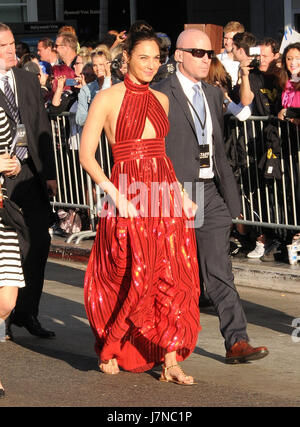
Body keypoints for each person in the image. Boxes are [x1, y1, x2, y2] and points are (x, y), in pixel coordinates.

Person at [79, 21, 200, 384]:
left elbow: (163, 156)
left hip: (164, 194)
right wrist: (116, 196)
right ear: (126, 58)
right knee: (132, 273)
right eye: (143, 57)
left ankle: (171, 359)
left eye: (156, 59)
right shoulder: (106, 98)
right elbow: (87, 156)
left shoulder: (162, 99)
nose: (150, 64)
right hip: (127, 193)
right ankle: (112, 345)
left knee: (175, 275)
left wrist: (182, 195)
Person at [155, 28, 269, 363]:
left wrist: (232, 199)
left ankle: (237, 341)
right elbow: (154, 148)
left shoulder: (212, 92)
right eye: (198, 53)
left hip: (208, 192)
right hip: (173, 191)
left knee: (219, 270)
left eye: (210, 54)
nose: (206, 59)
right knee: (170, 273)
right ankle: (163, 344)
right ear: (179, 55)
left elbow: (219, 149)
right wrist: (171, 188)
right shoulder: (161, 93)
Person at [0, 22, 57, 340]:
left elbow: (41, 128)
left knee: (39, 242)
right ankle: (4, 311)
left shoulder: (26, 79)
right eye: (3, 46)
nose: (11, 50)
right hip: (1, 180)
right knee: (9, 244)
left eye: (12, 44)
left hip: (30, 173)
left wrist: (49, 174)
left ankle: (26, 313)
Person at [237, 36, 282, 259]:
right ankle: (266, 237)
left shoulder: (281, 74)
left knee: (287, 191)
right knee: (264, 190)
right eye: (259, 56)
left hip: (285, 138)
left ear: (276, 55)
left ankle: (286, 238)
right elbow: (246, 101)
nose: (261, 60)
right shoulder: (253, 75)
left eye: (266, 56)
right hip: (261, 141)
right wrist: (244, 74)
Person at [0, 105, 25, 398]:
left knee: (6, 300)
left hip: (3, 213)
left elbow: (18, 147)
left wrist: (15, 164)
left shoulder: (4, 108)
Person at [277, 42, 300, 243]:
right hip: (290, 142)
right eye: (289, 58)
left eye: (297, 58)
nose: (293, 63)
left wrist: (288, 113)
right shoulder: (285, 81)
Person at [76, 46, 112, 127]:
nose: (98, 68)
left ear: (109, 64)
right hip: (95, 136)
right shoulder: (86, 90)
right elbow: (80, 119)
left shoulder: (118, 85)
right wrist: (98, 118)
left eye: (101, 65)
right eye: (95, 65)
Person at [217, 21, 245, 88]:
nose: (227, 42)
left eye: (231, 39)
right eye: (225, 38)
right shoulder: (216, 60)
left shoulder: (246, 60)